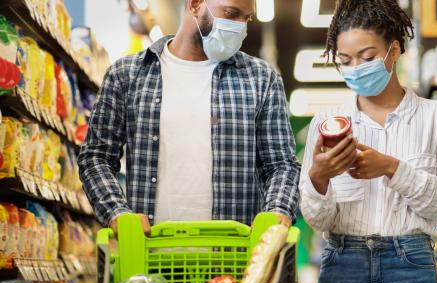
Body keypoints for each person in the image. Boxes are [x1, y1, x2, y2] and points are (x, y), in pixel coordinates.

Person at [299, 0, 437, 283]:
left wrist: (392, 169)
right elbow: (318, 219)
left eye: (367, 56)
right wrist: (318, 178)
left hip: (411, 269)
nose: (356, 68)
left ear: (394, 51)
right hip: (342, 267)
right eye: (345, 61)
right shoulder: (327, 123)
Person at [79, 0, 300, 234]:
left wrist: (278, 209)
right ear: (195, 5)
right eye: (231, 14)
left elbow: (282, 165)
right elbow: (96, 157)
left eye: (246, 18)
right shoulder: (126, 76)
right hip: (149, 257)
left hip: (234, 259)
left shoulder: (261, 80)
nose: (240, 27)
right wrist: (117, 213)